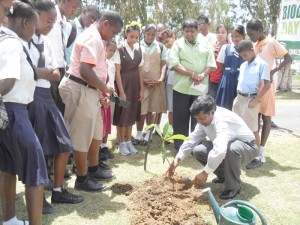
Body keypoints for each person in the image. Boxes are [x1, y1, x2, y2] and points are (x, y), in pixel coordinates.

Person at [28, 0, 84, 215]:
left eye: (54, 21)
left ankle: (58, 190)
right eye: (48, 20)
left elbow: (57, 73)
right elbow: (31, 70)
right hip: (30, 98)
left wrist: (39, 71)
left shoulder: (47, 42)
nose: (52, 24)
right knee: (38, 149)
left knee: (64, 145)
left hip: (47, 94)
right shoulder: (23, 41)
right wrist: (42, 71)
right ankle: (38, 196)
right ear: (34, 16)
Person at [59, 10, 123, 192]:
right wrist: (104, 88)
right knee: (81, 136)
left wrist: (101, 91)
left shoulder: (98, 38)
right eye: (114, 32)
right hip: (80, 88)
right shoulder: (92, 38)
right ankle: (81, 178)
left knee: (96, 132)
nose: (113, 36)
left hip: (91, 90)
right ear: (105, 24)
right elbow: (85, 71)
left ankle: (93, 168)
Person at [0, 1, 47, 224]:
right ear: (25, 21)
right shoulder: (13, 43)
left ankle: (10, 220)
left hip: (10, 113)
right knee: (36, 169)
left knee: (8, 167)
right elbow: (7, 82)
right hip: (14, 112)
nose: (35, 31)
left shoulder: (6, 40)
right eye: (34, 26)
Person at [166, 95, 259, 199]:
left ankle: (233, 187)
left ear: (213, 112)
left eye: (202, 118)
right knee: (198, 150)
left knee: (230, 149)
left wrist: (205, 172)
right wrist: (178, 159)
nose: (200, 122)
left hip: (247, 147)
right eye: (197, 119)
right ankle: (223, 175)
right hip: (227, 145)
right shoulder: (203, 120)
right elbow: (192, 139)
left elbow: (220, 150)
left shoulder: (222, 120)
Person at [245, 19, 293, 169]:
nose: (250, 37)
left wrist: (273, 71)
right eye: (248, 34)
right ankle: (255, 151)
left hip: (266, 86)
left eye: (252, 34)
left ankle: (261, 153)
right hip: (254, 86)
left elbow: (288, 58)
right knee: (255, 118)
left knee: (266, 118)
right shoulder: (254, 44)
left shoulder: (271, 43)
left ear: (260, 31)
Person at [169, 19, 216, 154]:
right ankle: (180, 145)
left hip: (200, 88)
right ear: (182, 31)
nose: (189, 34)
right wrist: (193, 74)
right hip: (181, 87)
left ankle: (196, 146)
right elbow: (175, 64)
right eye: (186, 31)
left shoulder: (205, 44)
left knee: (199, 116)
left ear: (197, 31)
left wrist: (201, 75)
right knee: (180, 117)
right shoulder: (177, 44)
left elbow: (210, 63)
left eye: (192, 31)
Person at [232, 40, 271, 148]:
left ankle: (257, 155)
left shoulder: (262, 64)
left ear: (252, 50)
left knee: (252, 129)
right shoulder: (244, 65)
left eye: (245, 55)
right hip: (239, 98)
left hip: (251, 99)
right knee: (236, 126)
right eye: (241, 56)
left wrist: (256, 100)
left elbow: (267, 85)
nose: (244, 57)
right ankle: (240, 150)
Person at [133, 24, 167, 146]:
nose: (150, 37)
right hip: (141, 82)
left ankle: (148, 135)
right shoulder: (137, 46)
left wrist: (161, 79)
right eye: (148, 34)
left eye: (153, 34)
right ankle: (138, 133)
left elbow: (164, 64)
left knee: (152, 109)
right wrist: (142, 80)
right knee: (141, 109)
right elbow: (134, 64)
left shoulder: (161, 47)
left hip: (156, 82)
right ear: (144, 34)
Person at [113, 21, 144, 155]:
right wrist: (121, 91)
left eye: (136, 37)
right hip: (123, 83)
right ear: (126, 34)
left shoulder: (139, 50)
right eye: (132, 37)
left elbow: (140, 71)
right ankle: (122, 143)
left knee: (132, 113)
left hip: (135, 84)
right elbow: (117, 72)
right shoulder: (119, 49)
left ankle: (129, 141)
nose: (134, 40)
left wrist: (142, 89)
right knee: (122, 114)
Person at [47, 0, 81, 114]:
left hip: (61, 73)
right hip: (49, 71)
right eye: (73, 6)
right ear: (64, 1)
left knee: (60, 112)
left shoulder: (65, 23)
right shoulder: (49, 17)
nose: (74, 11)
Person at [215, 25, 246, 110]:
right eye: (232, 36)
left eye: (237, 36)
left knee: (239, 105)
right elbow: (221, 66)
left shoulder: (247, 49)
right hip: (227, 79)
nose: (234, 39)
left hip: (241, 79)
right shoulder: (226, 48)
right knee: (225, 105)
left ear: (243, 36)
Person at [99, 39, 117, 162]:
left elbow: (112, 79)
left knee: (106, 122)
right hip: (101, 95)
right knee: (99, 124)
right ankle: (98, 148)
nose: (111, 53)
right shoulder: (100, 62)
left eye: (113, 51)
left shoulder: (111, 63)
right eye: (109, 50)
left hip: (109, 95)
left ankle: (104, 146)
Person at [160, 29, 176, 126]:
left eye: (167, 40)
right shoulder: (167, 51)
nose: (166, 43)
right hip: (170, 80)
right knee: (171, 108)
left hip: (182, 80)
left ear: (173, 37)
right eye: (164, 41)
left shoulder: (181, 48)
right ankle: (170, 130)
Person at [208, 24, 229, 98]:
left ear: (227, 34)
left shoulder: (230, 47)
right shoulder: (212, 46)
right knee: (212, 105)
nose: (220, 34)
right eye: (218, 32)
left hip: (225, 80)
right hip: (213, 81)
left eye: (223, 32)